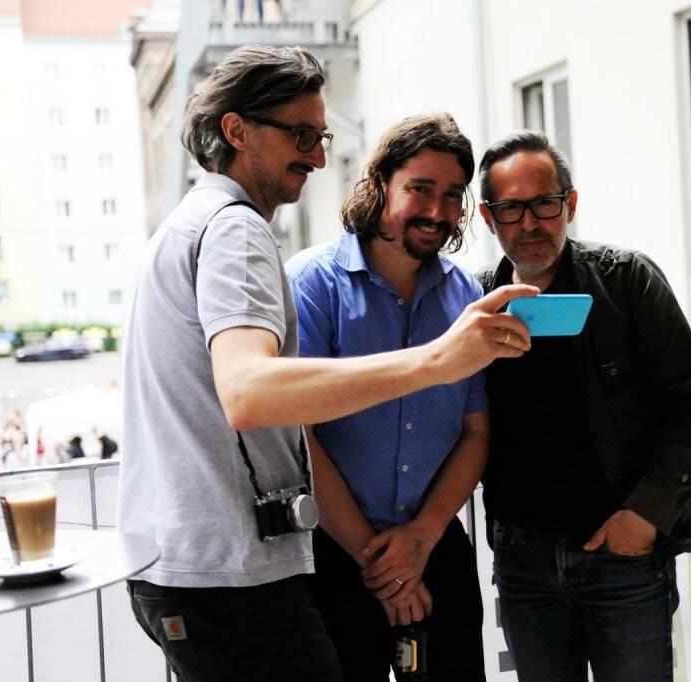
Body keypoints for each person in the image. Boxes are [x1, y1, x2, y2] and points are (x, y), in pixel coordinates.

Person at [118, 45, 535, 682]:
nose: (316, 155)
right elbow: (250, 392)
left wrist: (419, 540)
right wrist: (433, 361)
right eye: (302, 135)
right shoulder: (236, 231)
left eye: (322, 136)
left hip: (205, 563)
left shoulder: (195, 223)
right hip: (235, 568)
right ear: (237, 131)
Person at [475, 131, 691, 682]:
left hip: (624, 556)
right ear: (489, 218)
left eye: (545, 203)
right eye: (511, 209)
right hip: (524, 562)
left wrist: (645, 517)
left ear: (571, 204)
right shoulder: (474, 305)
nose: (530, 223)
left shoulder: (626, 281)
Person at [287, 113, 487, 681]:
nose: (439, 211)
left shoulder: (466, 293)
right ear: (379, 184)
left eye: (453, 195)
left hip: (436, 543)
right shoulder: (311, 283)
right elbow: (298, 439)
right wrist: (382, 567)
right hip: (334, 551)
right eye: (420, 189)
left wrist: (420, 542)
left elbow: (476, 432)